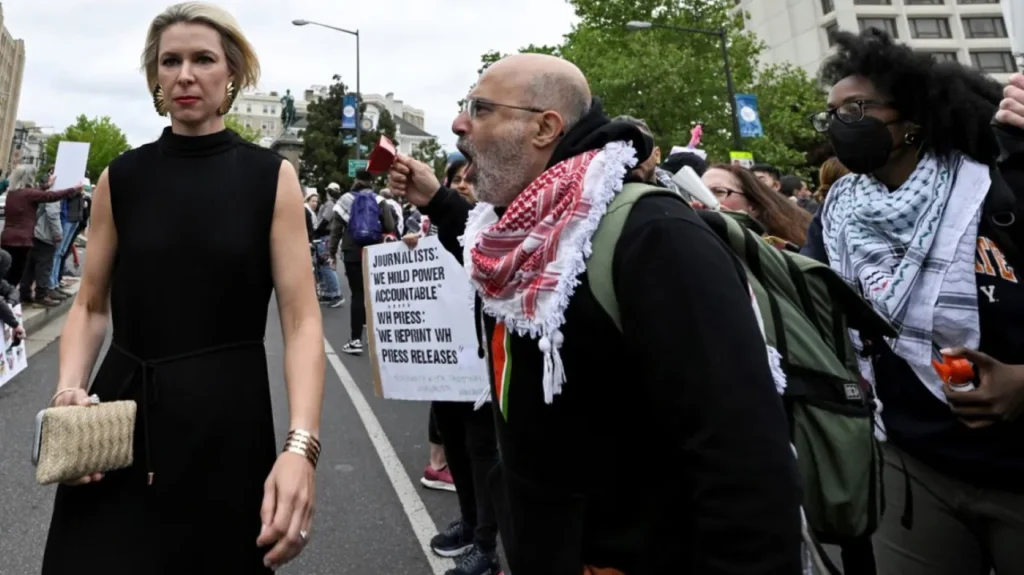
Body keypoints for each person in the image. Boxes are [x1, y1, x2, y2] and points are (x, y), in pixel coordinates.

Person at [389, 52, 802, 575]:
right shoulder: (522, 232)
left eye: (481, 108)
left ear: (544, 127)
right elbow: (485, 253)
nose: (459, 123)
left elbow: (744, 461)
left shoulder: (655, 236)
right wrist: (436, 201)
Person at [42, 4, 325, 574]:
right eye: (170, 61)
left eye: (203, 59)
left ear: (232, 76)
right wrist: (67, 392)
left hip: (228, 424)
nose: (185, 75)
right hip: (118, 421)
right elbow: (92, 302)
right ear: (155, 79)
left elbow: (301, 321)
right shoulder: (121, 177)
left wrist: (301, 449)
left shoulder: (271, 178)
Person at [805, 28, 1024, 574]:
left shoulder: (999, 188)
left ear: (914, 118)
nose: (840, 125)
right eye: (831, 114)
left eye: (856, 108)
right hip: (912, 466)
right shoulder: (837, 217)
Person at [328, 169, 397, 355]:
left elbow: (335, 230)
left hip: (351, 252)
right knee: (373, 295)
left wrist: (331, 254)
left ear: (356, 180)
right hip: (373, 252)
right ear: (371, 182)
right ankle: (377, 339)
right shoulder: (379, 200)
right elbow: (390, 226)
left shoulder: (345, 200)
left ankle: (355, 340)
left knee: (357, 294)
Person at [701, 163, 812, 248]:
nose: (701, 200)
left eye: (719, 192)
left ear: (753, 206)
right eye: (697, 191)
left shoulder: (782, 250)